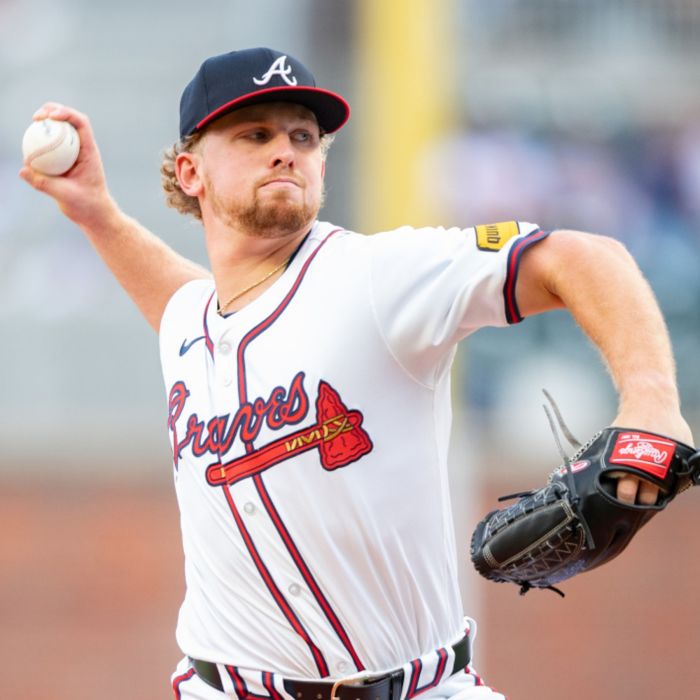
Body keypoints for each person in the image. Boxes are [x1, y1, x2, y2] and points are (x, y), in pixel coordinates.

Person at [20, 47, 693, 700]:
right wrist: (96, 213)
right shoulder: (193, 322)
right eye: (255, 134)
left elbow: (583, 256)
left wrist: (652, 399)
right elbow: (181, 302)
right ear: (191, 171)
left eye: (303, 136)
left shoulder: (376, 277)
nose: (285, 150)